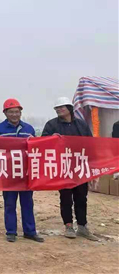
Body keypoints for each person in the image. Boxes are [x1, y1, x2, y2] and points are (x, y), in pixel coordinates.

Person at [42, 97, 98, 241]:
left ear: (69, 108)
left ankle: (82, 226)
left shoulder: (81, 125)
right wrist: (51, 138)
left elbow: (90, 145)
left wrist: (92, 167)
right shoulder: (51, 125)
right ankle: (68, 226)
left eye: (62, 107)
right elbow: (42, 143)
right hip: (63, 168)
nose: (59, 110)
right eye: (57, 108)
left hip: (80, 167)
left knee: (81, 197)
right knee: (66, 197)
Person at [0, 98, 44, 243]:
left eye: (17, 112)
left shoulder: (28, 129)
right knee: (10, 203)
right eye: (11, 112)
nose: (14, 115)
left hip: (25, 173)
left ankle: (30, 231)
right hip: (8, 173)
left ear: (20, 113)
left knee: (27, 203)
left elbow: (36, 148)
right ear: (5, 113)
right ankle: (11, 231)